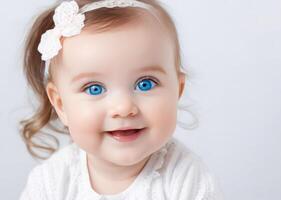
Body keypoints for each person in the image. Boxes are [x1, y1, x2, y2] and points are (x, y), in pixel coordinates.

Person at [19, 0, 223, 199]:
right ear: (61, 104)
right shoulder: (51, 181)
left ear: (177, 90)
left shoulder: (186, 179)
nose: (123, 107)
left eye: (145, 84)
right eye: (94, 88)